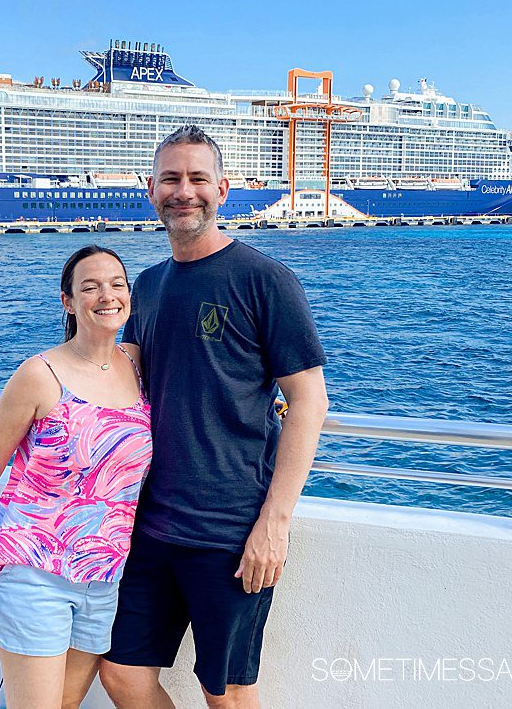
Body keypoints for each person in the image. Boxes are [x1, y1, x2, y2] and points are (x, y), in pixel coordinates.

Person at [99, 126, 329, 708]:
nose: (185, 192)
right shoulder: (146, 288)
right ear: (150, 190)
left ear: (223, 189)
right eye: (171, 179)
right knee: (123, 674)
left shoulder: (264, 280)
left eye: (198, 179)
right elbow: (124, 380)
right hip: (151, 526)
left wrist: (273, 524)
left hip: (230, 530)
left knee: (224, 692)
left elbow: (308, 401)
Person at [0, 245, 152, 709]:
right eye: (89, 287)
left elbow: (207, 376)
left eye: (116, 284)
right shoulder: (40, 374)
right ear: (68, 301)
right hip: (33, 571)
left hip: (103, 575)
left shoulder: (136, 362)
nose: (106, 296)